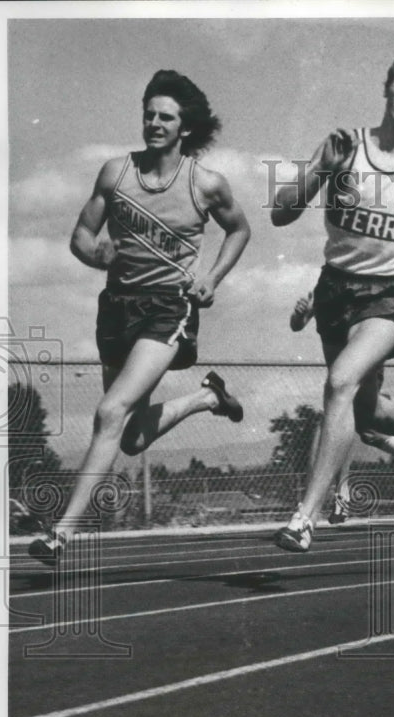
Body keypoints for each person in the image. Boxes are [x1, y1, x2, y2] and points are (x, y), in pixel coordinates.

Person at [29, 70, 250, 565]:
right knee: (130, 437)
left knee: (109, 412)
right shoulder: (115, 173)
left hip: (168, 309)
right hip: (117, 309)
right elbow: (81, 237)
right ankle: (206, 398)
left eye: (164, 117)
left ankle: (62, 532)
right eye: (148, 114)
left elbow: (239, 230)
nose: (153, 123)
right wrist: (97, 255)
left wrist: (211, 278)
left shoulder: (206, 184)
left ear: (184, 128)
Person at [271, 46, 394, 552]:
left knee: (340, 382)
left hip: (392, 295)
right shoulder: (344, 145)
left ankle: (305, 517)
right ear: (386, 86)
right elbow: (280, 212)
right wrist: (320, 171)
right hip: (336, 290)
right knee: (365, 413)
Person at [288, 291, 394, 525]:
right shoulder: (330, 285)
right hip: (340, 372)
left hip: (364, 363)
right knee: (364, 428)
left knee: (337, 421)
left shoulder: (372, 284)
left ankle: (329, 499)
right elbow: (297, 325)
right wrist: (300, 314)